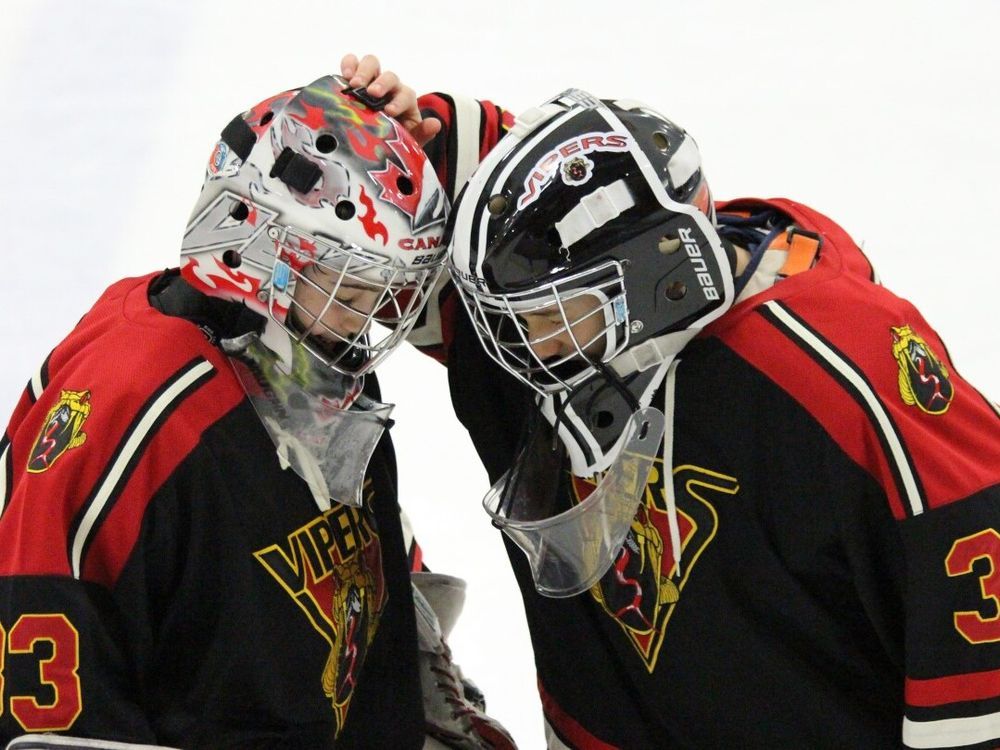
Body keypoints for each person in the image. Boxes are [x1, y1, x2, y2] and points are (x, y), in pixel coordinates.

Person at [419, 88, 1000, 748]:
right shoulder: (569, 341)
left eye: (550, 315)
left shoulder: (842, 371)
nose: (528, 347)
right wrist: (428, 150)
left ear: (658, 278)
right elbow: (376, 289)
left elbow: (972, 593)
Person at [0, 59, 513, 750]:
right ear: (255, 245)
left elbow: (336, 560)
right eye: (352, 288)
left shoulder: (308, 354)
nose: (372, 318)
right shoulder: (132, 404)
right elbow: (41, 691)